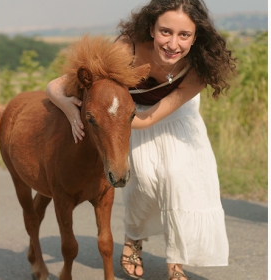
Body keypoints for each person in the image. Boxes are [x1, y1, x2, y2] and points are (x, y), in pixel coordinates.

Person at [46, 0, 236, 279]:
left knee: (180, 178)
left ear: (196, 37)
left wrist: (118, 119)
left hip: (169, 116)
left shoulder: (198, 69)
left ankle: (177, 259)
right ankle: (134, 237)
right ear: (151, 28)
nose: (173, 44)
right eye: (165, 32)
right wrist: (72, 111)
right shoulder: (127, 48)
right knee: (144, 179)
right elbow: (54, 87)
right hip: (126, 114)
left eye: (184, 35)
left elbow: (149, 120)